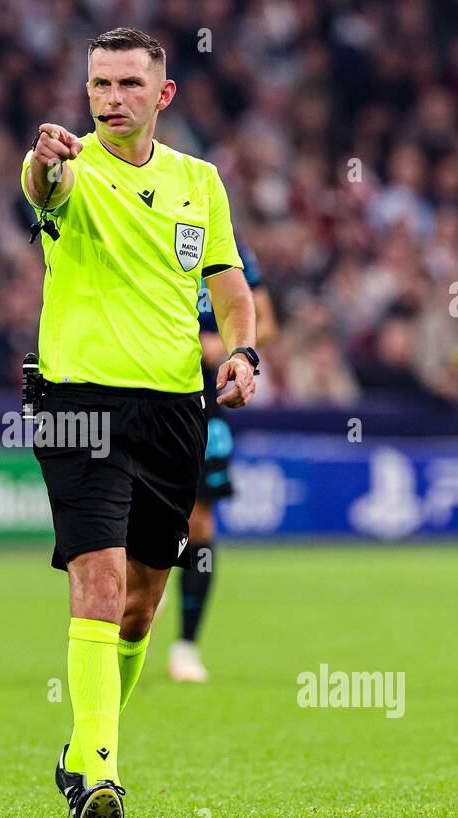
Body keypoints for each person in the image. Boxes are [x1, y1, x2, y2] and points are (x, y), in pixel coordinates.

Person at [22, 28, 259, 818]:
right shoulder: (71, 168)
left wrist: (242, 350)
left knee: (141, 605)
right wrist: (46, 160)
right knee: (96, 578)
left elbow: (227, 283)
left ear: (162, 96)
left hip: (172, 412)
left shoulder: (201, 182)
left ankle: (83, 750)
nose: (111, 99)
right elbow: (40, 185)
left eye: (127, 84)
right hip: (80, 402)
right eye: (98, 85)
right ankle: (102, 774)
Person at [171, 234, 277, 682]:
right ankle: (137, 599)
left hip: (206, 400)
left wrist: (227, 347)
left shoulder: (231, 249)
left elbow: (266, 322)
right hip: (144, 386)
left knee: (200, 522)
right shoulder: (141, 222)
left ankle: (186, 644)